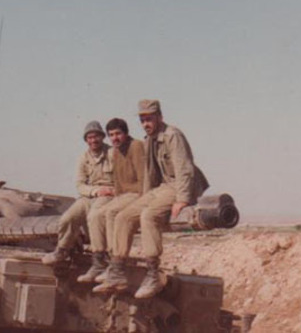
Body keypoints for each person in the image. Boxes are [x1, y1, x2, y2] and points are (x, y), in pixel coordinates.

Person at [94, 99, 209, 299]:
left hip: (179, 186)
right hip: (162, 187)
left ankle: (153, 274)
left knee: (149, 216)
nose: (146, 124)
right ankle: (117, 271)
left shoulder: (172, 135)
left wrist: (183, 199)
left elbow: (185, 168)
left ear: (160, 117)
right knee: (123, 216)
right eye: (142, 120)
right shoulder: (149, 139)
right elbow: (150, 174)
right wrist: (146, 197)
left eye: (149, 119)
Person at [76, 118, 145, 283]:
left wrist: (144, 199)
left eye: (118, 134)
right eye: (111, 135)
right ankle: (99, 261)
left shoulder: (136, 146)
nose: (115, 138)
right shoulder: (116, 151)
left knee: (111, 212)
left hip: (137, 193)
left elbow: (144, 178)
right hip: (122, 194)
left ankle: (115, 264)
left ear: (126, 133)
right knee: (96, 215)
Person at [42, 121, 114, 264]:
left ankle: (100, 256)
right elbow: (80, 185)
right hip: (89, 195)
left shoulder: (113, 153)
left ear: (102, 137)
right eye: (90, 137)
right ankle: (62, 250)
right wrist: (94, 191)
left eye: (96, 136)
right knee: (68, 218)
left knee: (94, 217)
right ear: (86, 140)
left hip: (108, 194)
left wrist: (110, 191)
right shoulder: (83, 158)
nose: (93, 140)